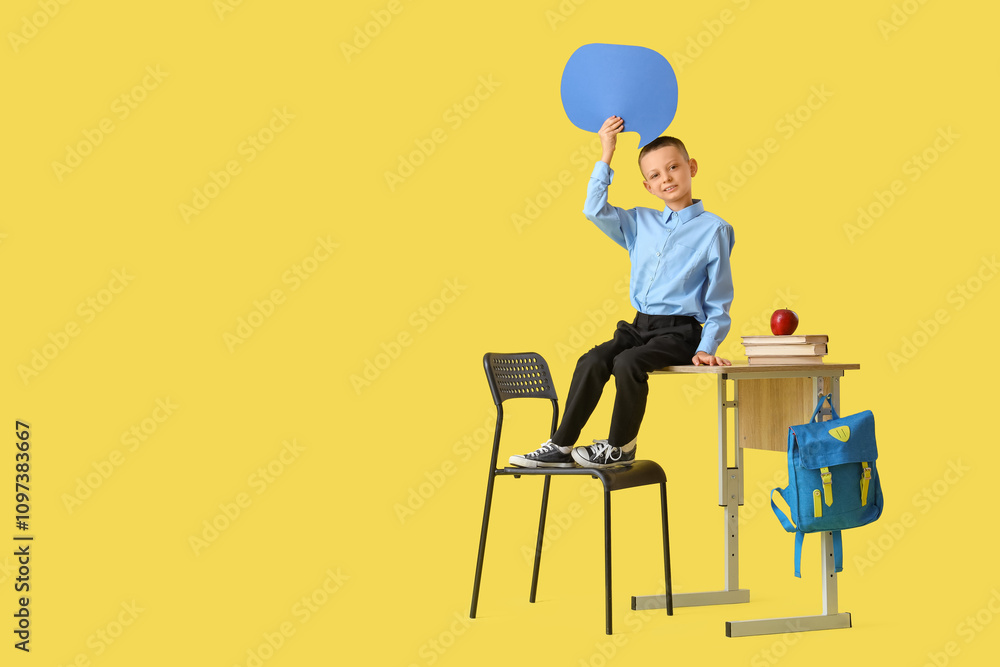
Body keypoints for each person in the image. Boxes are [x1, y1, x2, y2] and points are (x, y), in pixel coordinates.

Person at [510, 115, 735, 469]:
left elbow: (719, 299)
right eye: (656, 175)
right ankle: (560, 445)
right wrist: (607, 152)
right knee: (593, 360)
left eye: (674, 167)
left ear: (691, 167)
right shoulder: (637, 223)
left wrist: (707, 347)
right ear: (647, 186)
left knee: (627, 363)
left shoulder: (715, 230)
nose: (667, 178)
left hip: (679, 331)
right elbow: (593, 209)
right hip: (638, 326)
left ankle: (620, 446)